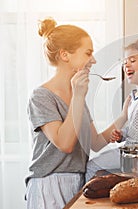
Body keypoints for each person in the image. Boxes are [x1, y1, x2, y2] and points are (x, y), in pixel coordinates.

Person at [25, 17, 124, 209]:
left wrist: (124, 115)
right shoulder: (41, 97)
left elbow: (94, 142)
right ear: (65, 55)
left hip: (79, 182)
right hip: (49, 185)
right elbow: (65, 144)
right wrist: (78, 96)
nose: (93, 60)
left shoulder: (77, 96)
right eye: (88, 53)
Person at [85, 38, 138, 180]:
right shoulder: (135, 97)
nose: (126, 65)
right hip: (131, 153)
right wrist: (122, 134)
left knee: (92, 167)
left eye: (132, 60)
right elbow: (137, 130)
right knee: (100, 170)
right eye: (125, 62)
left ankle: (84, 199)